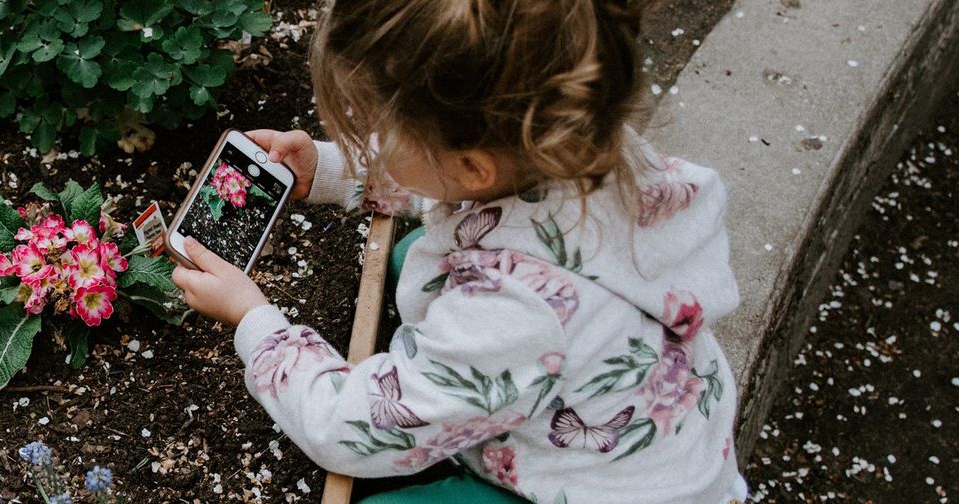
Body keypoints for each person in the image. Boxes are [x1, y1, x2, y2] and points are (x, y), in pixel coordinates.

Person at [170, 0, 748, 502]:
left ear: (473, 165)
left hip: (595, 487)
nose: (359, 134)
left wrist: (255, 321)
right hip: (650, 438)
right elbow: (448, 180)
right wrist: (325, 169)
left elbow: (349, 432)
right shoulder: (576, 143)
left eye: (375, 128)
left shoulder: (514, 312)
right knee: (421, 252)